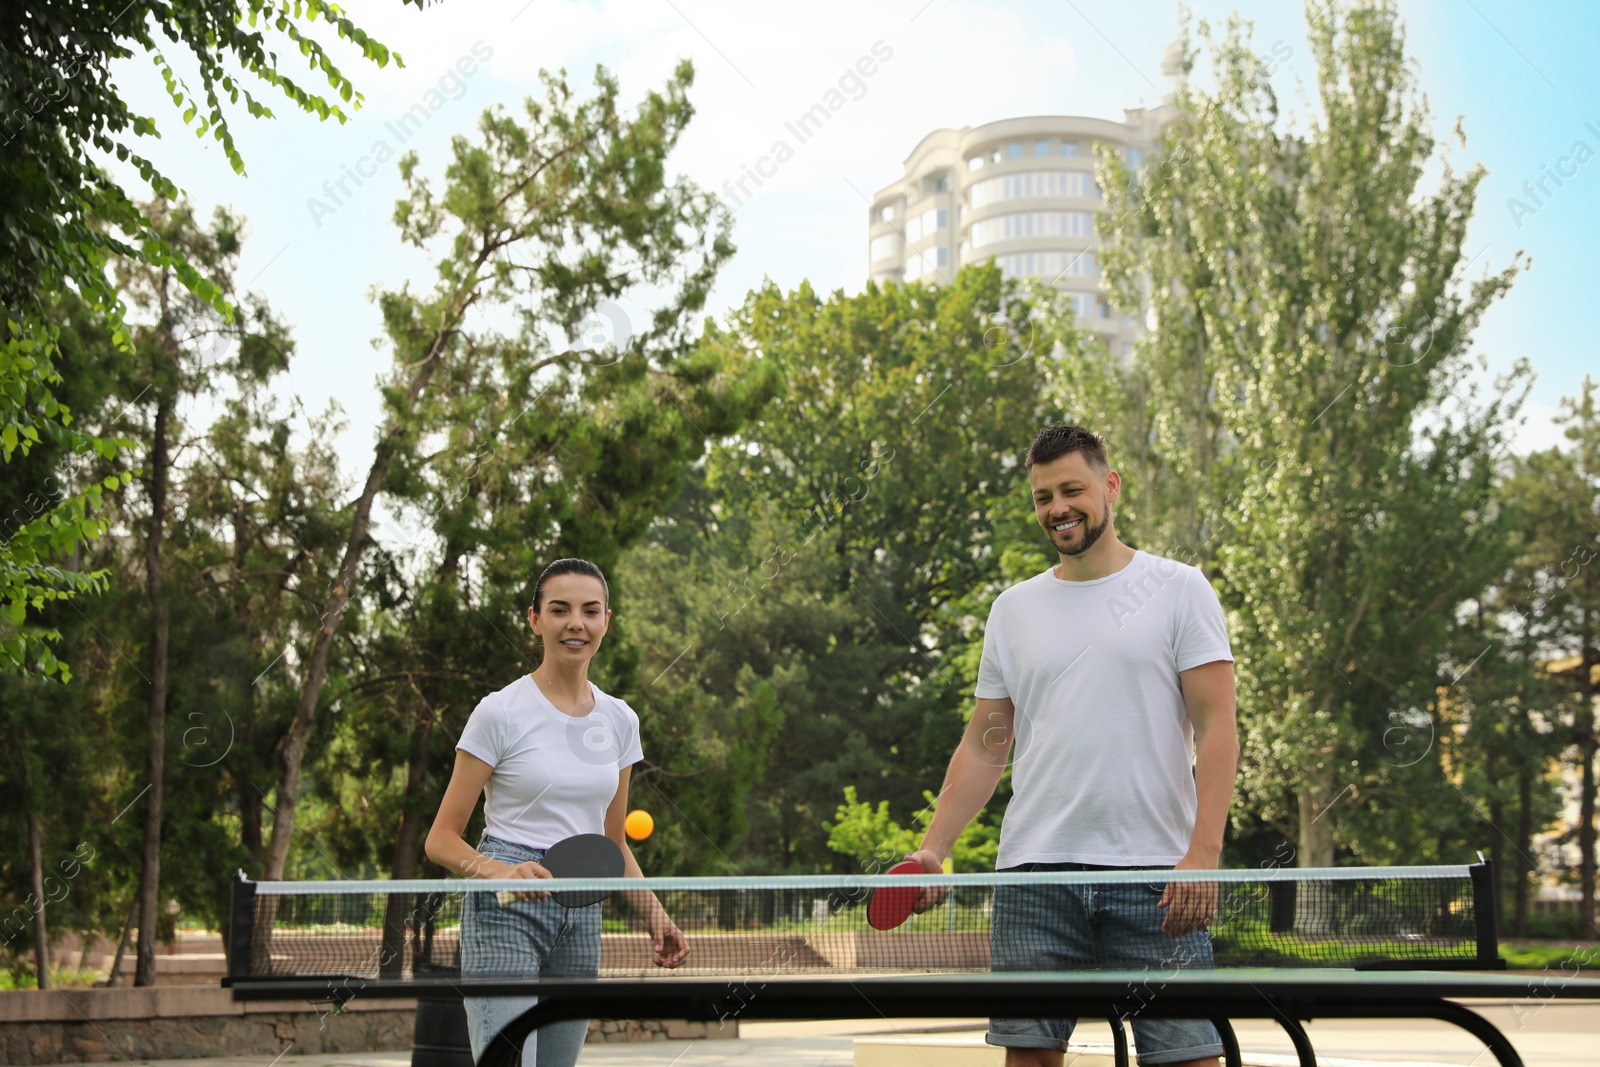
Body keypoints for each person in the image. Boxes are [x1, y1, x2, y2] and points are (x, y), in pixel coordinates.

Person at [906, 425, 1239, 1067]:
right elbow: (985, 743)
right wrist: (934, 848)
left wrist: (1204, 852)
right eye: (1041, 496)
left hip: (1158, 877)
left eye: (1071, 489)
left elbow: (1217, 726)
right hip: (1035, 876)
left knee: (1190, 1061)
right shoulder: (1012, 608)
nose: (1056, 508)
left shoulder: (1180, 588)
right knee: (1028, 1061)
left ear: (1109, 486)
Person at [426, 558, 688, 1067]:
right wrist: (503, 871)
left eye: (591, 611)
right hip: (504, 908)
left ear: (606, 621)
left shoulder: (620, 721)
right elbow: (440, 839)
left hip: (582, 906)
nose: (576, 623)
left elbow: (613, 843)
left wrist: (655, 915)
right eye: (560, 609)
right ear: (535, 619)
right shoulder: (499, 711)